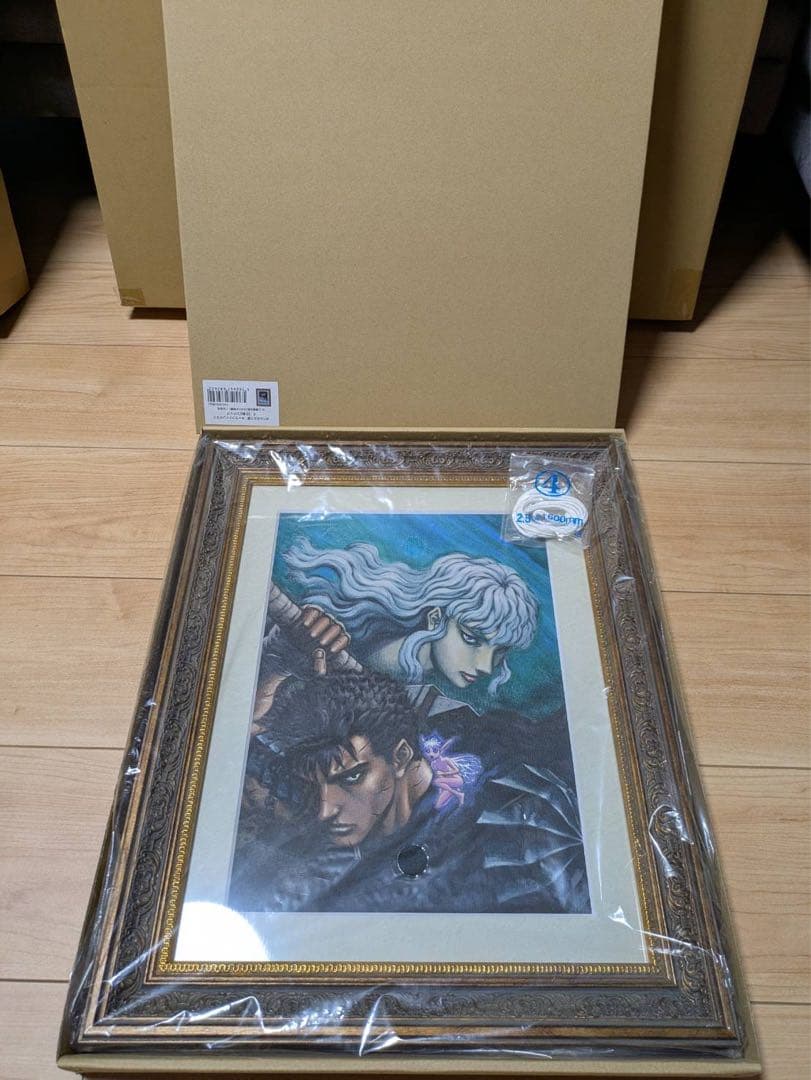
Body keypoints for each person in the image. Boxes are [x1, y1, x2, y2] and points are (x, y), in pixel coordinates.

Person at [229, 671, 590, 916]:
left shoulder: (507, 825)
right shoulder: (354, 812)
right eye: (316, 787)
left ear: (401, 756)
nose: (326, 810)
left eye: (352, 778)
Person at [283, 539, 539, 697]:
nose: (486, 667)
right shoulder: (379, 664)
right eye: (471, 638)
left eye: (500, 651)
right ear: (435, 618)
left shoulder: (417, 682)